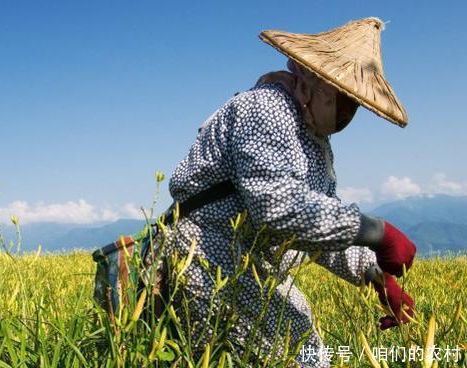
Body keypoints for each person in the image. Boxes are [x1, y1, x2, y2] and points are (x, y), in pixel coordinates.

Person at [166, 18, 416, 367]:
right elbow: (278, 207)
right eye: (343, 96)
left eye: (355, 103)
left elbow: (316, 222)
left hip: (253, 268)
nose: (348, 112)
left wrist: (375, 275)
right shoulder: (267, 109)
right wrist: (376, 231)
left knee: (307, 352)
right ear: (316, 81)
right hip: (209, 258)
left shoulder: (314, 139)